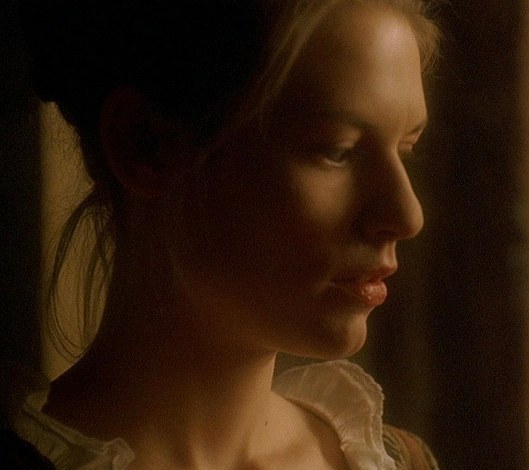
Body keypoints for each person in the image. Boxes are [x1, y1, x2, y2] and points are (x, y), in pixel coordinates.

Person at [6, 0, 440, 468]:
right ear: (145, 146)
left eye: (406, 149)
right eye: (338, 151)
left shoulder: (393, 460)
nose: (407, 215)